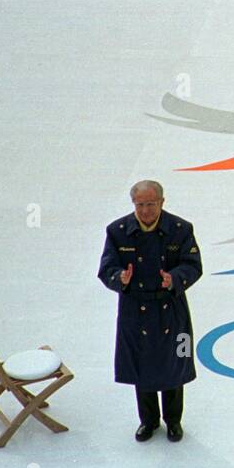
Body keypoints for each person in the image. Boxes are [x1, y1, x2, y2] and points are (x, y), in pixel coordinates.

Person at [98, 180, 202, 442]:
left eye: (151, 204)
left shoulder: (180, 229)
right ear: (133, 204)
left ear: (162, 203)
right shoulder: (118, 231)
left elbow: (193, 265)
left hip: (171, 309)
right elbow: (107, 269)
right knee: (140, 365)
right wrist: (120, 278)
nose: (145, 211)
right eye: (140, 205)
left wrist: (175, 279)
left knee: (174, 365)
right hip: (135, 310)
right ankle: (148, 420)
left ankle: (174, 420)